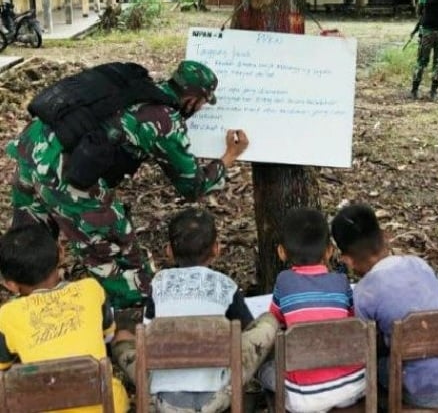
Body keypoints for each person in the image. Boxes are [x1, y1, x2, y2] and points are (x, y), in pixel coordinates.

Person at [6, 60, 249, 308]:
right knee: (117, 252)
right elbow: (193, 186)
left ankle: (24, 303)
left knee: (30, 243)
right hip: (61, 173)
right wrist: (229, 156)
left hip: (31, 148)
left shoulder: (137, 87)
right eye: (202, 104)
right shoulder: (164, 120)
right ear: (193, 100)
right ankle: (131, 312)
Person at [111, 208, 278, 413]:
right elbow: (245, 331)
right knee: (267, 323)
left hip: (164, 401)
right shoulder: (225, 286)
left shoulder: (159, 283)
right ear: (217, 249)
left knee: (122, 338)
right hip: (215, 398)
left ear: (169, 251)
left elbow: (148, 336)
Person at [331, 203, 438, 408]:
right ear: (386, 236)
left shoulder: (364, 292)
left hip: (421, 392)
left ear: (347, 260)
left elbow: (365, 346)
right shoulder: (419, 264)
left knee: (375, 368)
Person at [0, 224, 129, 412]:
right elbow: (108, 336)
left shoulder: (7, 315)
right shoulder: (91, 290)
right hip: (107, 405)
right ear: (61, 253)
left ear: (10, 285)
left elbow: (4, 369)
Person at [257, 208, 366, 413]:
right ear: (329, 251)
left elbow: (275, 320)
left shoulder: (284, 281)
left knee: (264, 370)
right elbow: (353, 322)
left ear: (281, 252)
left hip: (303, 398)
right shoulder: (342, 282)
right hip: (354, 387)